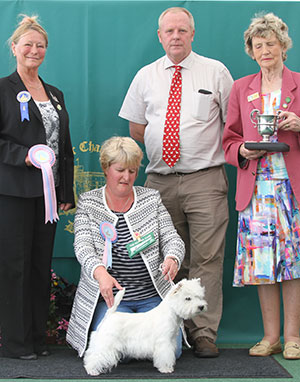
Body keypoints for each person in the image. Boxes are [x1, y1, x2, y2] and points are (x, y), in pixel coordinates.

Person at [119, 7, 233, 358]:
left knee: (207, 259)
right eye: (169, 31)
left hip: (206, 180)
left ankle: (202, 334)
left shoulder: (215, 72)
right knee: (165, 258)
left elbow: (232, 125)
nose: (176, 36)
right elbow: (137, 128)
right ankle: (168, 334)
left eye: (182, 30)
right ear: (160, 36)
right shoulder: (145, 76)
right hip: (159, 183)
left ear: (193, 34)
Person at [222, 13, 300, 360]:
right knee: (263, 264)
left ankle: (294, 337)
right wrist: (241, 149)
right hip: (254, 190)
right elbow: (229, 140)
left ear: (284, 46)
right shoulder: (241, 88)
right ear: (251, 51)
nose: (265, 49)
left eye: (271, 43)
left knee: (294, 264)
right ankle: (270, 337)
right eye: (258, 45)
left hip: (293, 187)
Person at [66, 136, 185, 358]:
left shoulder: (151, 199)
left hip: (152, 297)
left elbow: (173, 238)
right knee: (117, 350)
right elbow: (82, 246)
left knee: (172, 351)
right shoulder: (88, 202)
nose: (126, 177)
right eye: (120, 170)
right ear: (105, 168)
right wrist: (100, 273)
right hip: (112, 299)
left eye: (132, 171)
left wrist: (172, 258)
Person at [0, 15, 74, 360]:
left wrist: (65, 192)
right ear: (14, 47)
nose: (34, 50)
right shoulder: (2, 90)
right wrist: (24, 156)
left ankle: (36, 338)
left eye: (40, 45)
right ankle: (16, 343)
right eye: (27, 44)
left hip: (47, 196)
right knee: (15, 265)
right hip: (13, 193)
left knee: (40, 265)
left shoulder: (55, 94)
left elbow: (64, 146)